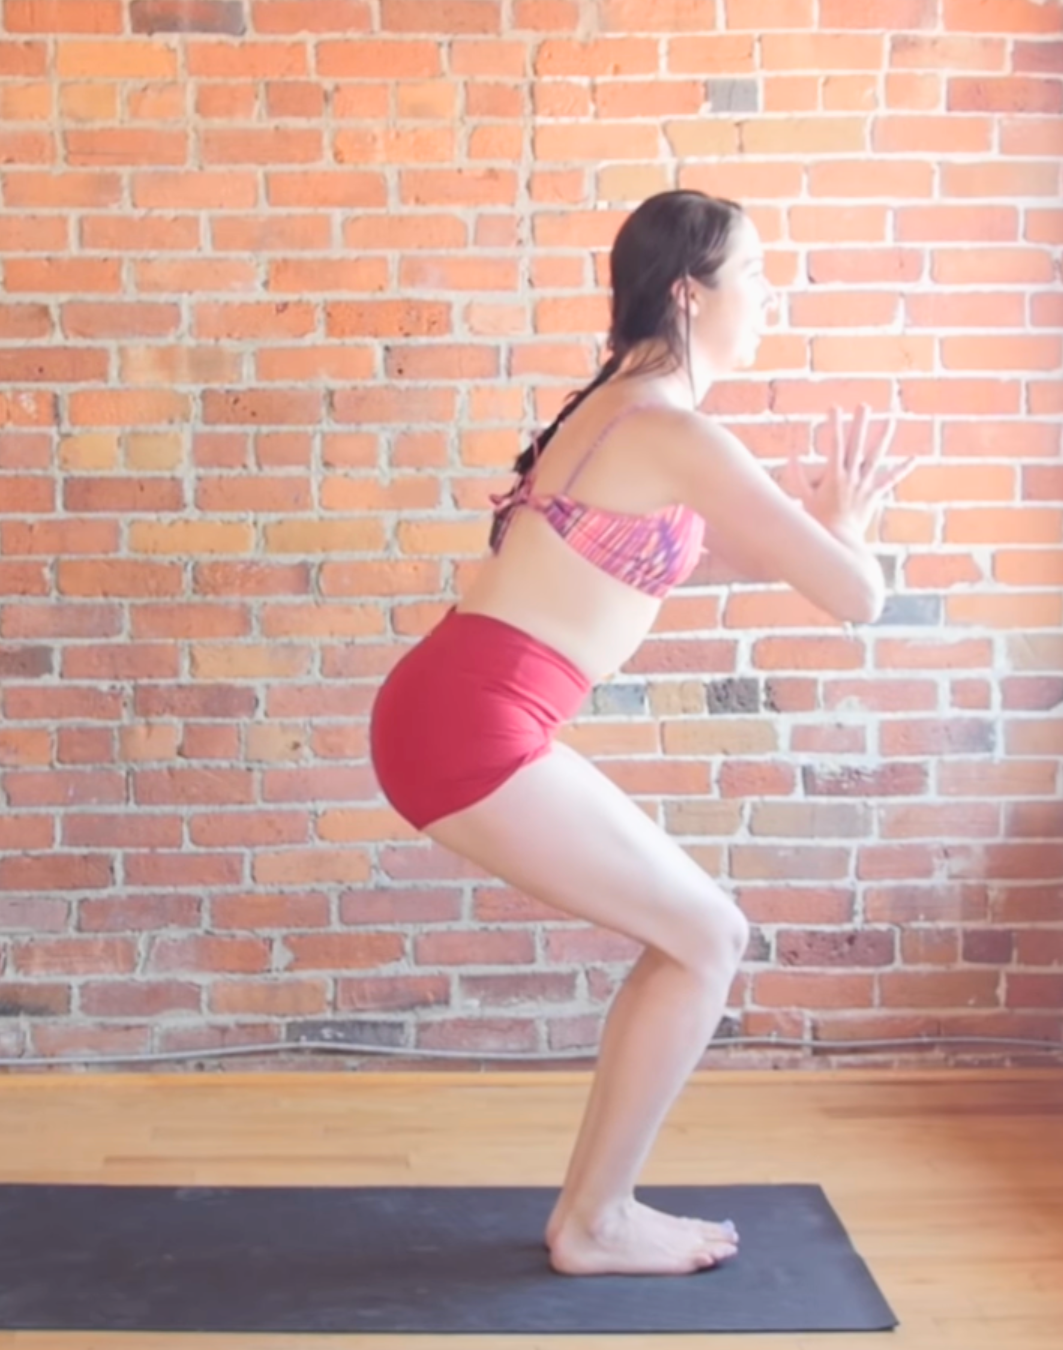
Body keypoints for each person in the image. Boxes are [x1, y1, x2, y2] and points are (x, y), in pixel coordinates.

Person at [366, 188, 915, 1276]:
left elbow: (705, 556)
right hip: (474, 723)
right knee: (708, 938)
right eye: (754, 274)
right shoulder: (674, 431)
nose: (770, 295)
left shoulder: (620, 411)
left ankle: (595, 1212)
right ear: (687, 291)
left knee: (693, 935)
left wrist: (810, 528)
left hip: (452, 705)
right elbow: (857, 596)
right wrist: (844, 532)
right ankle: (596, 1220)